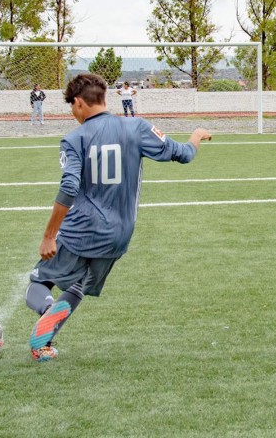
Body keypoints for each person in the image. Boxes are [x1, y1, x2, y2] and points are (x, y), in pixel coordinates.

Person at [24, 73, 211, 362]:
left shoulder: (74, 139)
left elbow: (70, 185)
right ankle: (44, 344)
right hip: (119, 234)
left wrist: (49, 235)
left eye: (71, 107)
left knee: (38, 284)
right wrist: (196, 136)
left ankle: (47, 309)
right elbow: (184, 155)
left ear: (78, 103)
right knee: (79, 285)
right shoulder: (136, 127)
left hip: (81, 230)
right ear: (104, 99)